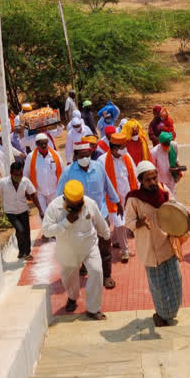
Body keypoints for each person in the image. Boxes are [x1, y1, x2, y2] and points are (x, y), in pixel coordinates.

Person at [41, 180, 110, 320]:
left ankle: (93, 308)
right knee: (69, 279)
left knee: (96, 271)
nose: (78, 207)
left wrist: (106, 234)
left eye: (79, 204)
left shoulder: (89, 203)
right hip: (67, 250)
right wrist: (66, 222)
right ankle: (72, 298)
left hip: (89, 245)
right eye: (74, 205)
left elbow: (99, 221)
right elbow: (46, 231)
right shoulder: (54, 207)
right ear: (65, 199)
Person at [125, 161, 183, 327]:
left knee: (176, 283)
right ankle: (161, 314)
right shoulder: (134, 199)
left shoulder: (164, 191)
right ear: (141, 181)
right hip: (150, 251)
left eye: (154, 177)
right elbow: (128, 222)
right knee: (159, 288)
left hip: (168, 247)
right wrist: (139, 222)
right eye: (148, 180)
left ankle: (168, 313)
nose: (152, 182)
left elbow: (175, 209)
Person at [57, 141, 121, 289]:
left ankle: (107, 276)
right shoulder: (68, 172)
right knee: (81, 244)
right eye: (82, 156)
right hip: (79, 217)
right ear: (76, 156)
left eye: (88, 155)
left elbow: (108, 185)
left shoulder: (98, 167)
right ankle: (85, 265)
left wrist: (117, 202)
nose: (85, 158)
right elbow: (59, 194)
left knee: (105, 244)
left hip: (100, 213)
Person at [99, 132, 138, 263]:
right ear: (115, 148)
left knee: (121, 224)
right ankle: (125, 250)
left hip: (127, 197)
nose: (125, 149)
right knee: (120, 224)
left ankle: (115, 240)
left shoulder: (127, 157)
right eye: (123, 146)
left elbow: (135, 174)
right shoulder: (102, 160)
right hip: (112, 200)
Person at [0, 161, 43, 261]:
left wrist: (40, 209)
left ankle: (25, 253)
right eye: (16, 175)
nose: (19, 177)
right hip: (10, 212)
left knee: (26, 232)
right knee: (20, 230)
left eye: (20, 174)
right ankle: (22, 251)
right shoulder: (2, 183)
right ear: (11, 173)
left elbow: (33, 195)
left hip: (23, 210)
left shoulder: (25, 181)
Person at [24, 133, 65, 219]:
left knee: (56, 213)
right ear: (36, 144)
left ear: (48, 143)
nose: (43, 145)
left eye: (45, 143)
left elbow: (63, 172)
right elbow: (26, 175)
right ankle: (46, 231)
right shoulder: (30, 157)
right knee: (43, 215)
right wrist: (26, 191)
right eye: (40, 144)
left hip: (55, 191)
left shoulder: (55, 155)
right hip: (39, 192)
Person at [150, 131, 183, 196]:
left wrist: (177, 169)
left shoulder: (173, 147)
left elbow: (176, 160)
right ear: (160, 142)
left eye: (168, 143)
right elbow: (152, 167)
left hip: (171, 179)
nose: (167, 145)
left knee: (172, 197)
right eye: (165, 144)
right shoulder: (154, 152)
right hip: (160, 180)